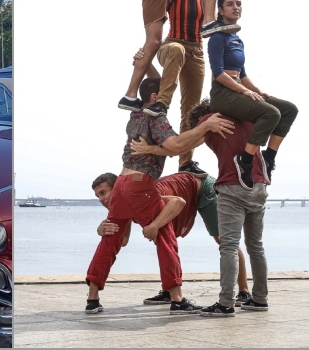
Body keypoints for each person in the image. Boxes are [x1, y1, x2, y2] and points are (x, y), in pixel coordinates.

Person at [84, 77, 234, 315]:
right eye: (167, 94)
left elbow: (158, 83)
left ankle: (92, 299)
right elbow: (175, 146)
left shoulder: (135, 114)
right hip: (139, 182)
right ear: (155, 97)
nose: (170, 99)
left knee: (110, 239)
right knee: (165, 234)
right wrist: (205, 127)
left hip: (121, 181)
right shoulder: (157, 117)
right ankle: (176, 299)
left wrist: (204, 134)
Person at [92, 172, 253, 307]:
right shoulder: (120, 204)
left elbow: (177, 202)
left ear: (119, 188)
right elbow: (124, 240)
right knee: (163, 237)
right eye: (98, 195)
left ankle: (244, 292)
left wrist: (154, 225)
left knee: (224, 241)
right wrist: (101, 230)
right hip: (181, 193)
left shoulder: (139, 194)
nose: (100, 199)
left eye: (103, 192)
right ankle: (170, 290)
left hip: (201, 188)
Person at [173, 99, 271, 317]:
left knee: (228, 246)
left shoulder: (209, 120)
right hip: (259, 186)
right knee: (256, 245)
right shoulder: (246, 118)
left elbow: (181, 145)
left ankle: (225, 303)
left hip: (232, 187)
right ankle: (260, 299)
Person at [135, 0, 214, 178]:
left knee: (191, 109)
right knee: (177, 49)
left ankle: (185, 163)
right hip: (171, 45)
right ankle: (162, 103)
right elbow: (149, 1)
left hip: (197, 51)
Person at [207, 0, 299, 188]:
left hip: (238, 86)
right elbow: (219, 74)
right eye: (230, 4)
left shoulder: (238, 39)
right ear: (221, 10)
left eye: (239, 4)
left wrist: (259, 91)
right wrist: (244, 92)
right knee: (271, 113)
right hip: (222, 92)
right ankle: (245, 161)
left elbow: (243, 75)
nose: (236, 7)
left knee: (289, 109)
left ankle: (268, 158)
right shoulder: (217, 38)